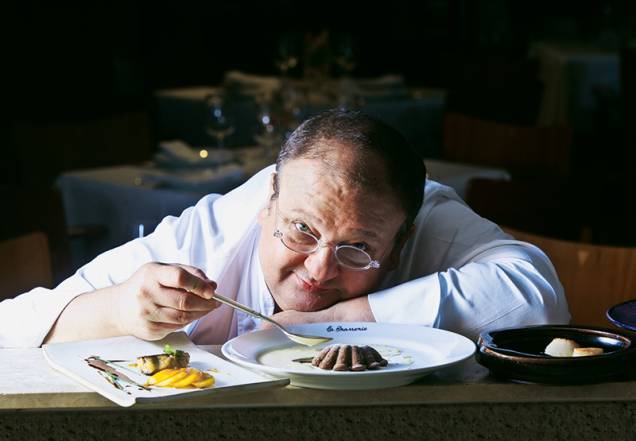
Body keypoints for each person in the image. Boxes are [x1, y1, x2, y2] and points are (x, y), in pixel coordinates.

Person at [0, 110, 570, 348]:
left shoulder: (423, 215)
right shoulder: (211, 233)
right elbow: (12, 328)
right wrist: (124, 309)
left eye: (357, 249)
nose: (319, 270)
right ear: (267, 203)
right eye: (300, 230)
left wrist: (338, 321)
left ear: (401, 240)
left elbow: (537, 294)